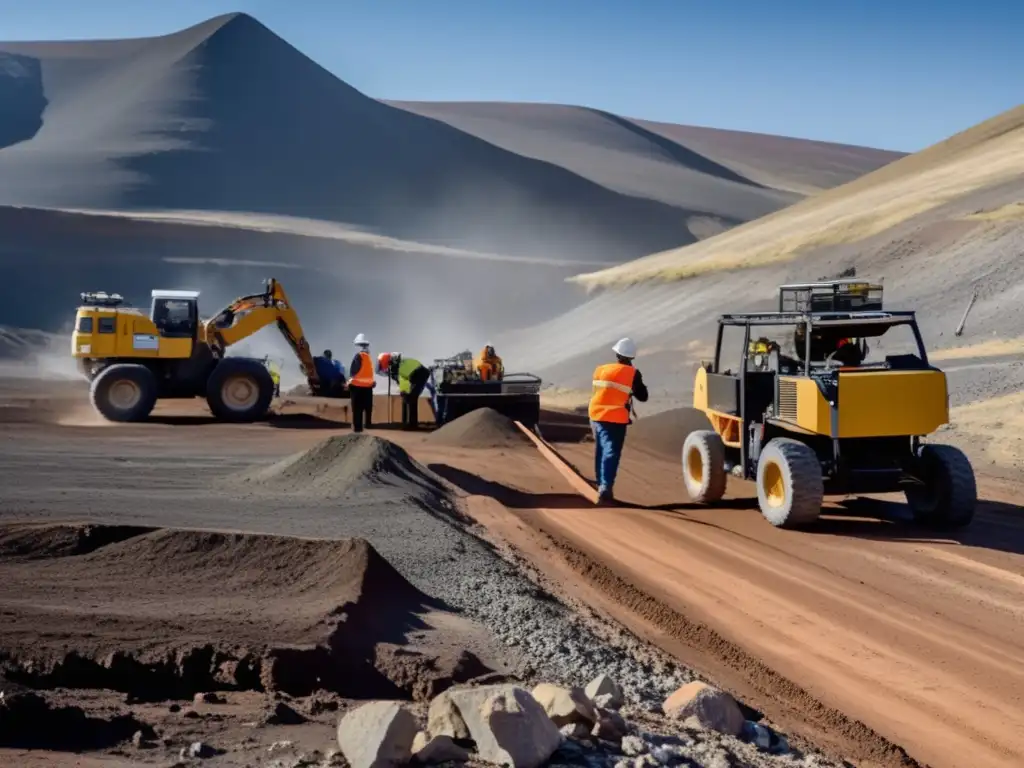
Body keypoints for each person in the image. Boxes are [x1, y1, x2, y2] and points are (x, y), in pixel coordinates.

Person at [588, 337, 648, 504]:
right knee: (611, 451)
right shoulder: (633, 373)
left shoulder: (600, 369)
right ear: (632, 357)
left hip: (595, 414)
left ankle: (600, 483)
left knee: (600, 450)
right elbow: (643, 397)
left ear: (616, 354)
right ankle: (605, 487)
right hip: (614, 418)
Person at [377, 352, 436, 430]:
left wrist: (404, 391)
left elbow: (403, 379)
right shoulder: (397, 364)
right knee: (409, 398)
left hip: (420, 375)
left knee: (411, 399)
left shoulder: (397, 367)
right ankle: (408, 423)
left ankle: (412, 425)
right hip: (417, 375)